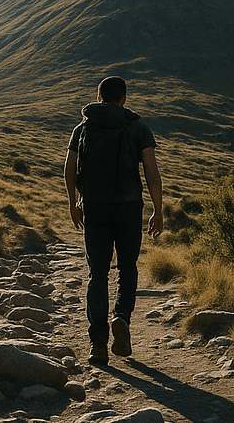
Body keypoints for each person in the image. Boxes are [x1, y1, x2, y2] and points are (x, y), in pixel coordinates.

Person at [64, 76, 163, 365]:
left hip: (93, 206)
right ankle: (121, 317)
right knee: (127, 267)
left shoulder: (83, 127)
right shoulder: (138, 127)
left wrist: (73, 204)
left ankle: (97, 345)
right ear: (124, 99)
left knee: (97, 273)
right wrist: (158, 210)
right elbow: (152, 174)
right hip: (129, 206)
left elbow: (69, 169)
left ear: (98, 98)